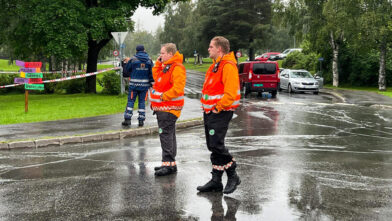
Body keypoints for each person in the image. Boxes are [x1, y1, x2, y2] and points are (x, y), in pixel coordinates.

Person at [197, 36, 241, 194]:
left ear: (219, 49)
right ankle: (216, 180)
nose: (208, 49)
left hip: (220, 112)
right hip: (210, 112)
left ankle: (232, 174)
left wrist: (218, 107)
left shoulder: (228, 66)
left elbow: (230, 94)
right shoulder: (215, 66)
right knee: (212, 145)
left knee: (217, 145)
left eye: (211, 47)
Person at [150, 43, 186, 176]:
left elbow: (178, 88)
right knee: (169, 135)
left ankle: (168, 162)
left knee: (165, 135)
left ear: (170, 54)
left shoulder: (176, 68)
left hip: (169, 107)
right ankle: (170, 163)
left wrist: (163, 97)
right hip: (163, 108)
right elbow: (156, 77)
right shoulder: (166, 67)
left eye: (163, 53)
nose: (160, 55)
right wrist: (158, 63)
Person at [122, 45, 154, 127]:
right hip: (144, 87)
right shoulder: (149, 61)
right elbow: (151, 74)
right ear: (144, 50)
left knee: (131, 101)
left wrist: (125, 63)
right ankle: (141, 121)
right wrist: (151, 84)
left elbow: (126, 71)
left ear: (136, 51)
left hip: (133, 86)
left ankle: (128, 120)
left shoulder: (133, 60)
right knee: (142, 102)